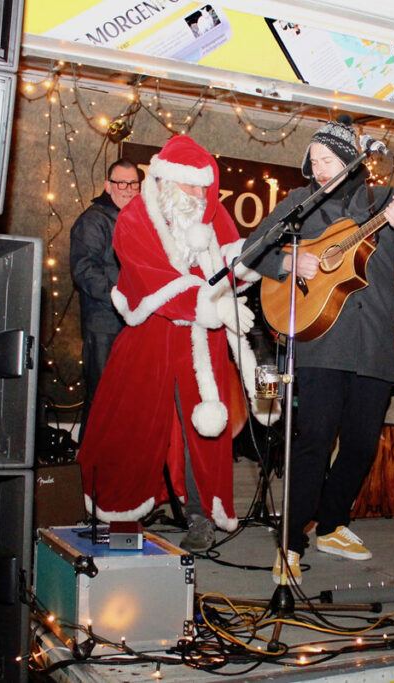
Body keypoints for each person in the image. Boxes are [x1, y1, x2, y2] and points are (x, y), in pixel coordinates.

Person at [242, 116, 394, 584]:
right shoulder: (299, 204)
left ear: (349, 160)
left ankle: (332, 524)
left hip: (375, 348)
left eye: (327, 160)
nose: (318, 169)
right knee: (315, 442)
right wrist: (289, 260)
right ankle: (290, 542)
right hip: (322, 341)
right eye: (314, 161)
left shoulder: (384, 202)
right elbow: (251, 251)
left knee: (363, 446)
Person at [76, 135, 264, 553]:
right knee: (134, 424)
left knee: (205, 430)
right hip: (151, 335)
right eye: (191, 186)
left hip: (203, 341)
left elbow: (230, 265)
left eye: (204, 187)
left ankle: (202, 515)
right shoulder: (136, 217)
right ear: (168, 181)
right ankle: (121, 511)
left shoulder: (212, 216)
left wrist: (249, 262)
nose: (200, 195)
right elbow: (149, 278)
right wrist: (206, 303)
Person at [69, 159, 140, 440]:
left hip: (133, 323)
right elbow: (84, 269)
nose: (127, 188)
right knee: (102, 400)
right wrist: (119, 296)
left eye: (133, 183)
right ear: (108, 186)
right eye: (120, 183)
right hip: (104, 325)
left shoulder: (139, 221)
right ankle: (89, 475)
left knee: (130, 402)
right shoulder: (93, 220)